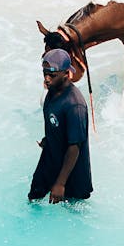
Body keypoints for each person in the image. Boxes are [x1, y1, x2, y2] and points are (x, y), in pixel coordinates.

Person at [28, 49, 93, 203]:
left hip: (71, 171)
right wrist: (49, 138)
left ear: (66, 74)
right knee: (33, 199)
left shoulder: (74, 105)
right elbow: (57, 123)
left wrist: (60, 183)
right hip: (50, 158)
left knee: (72, 210)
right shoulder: (52, 91)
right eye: (45, 73)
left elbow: (75, 146)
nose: (47, 79)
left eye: (52, 75)